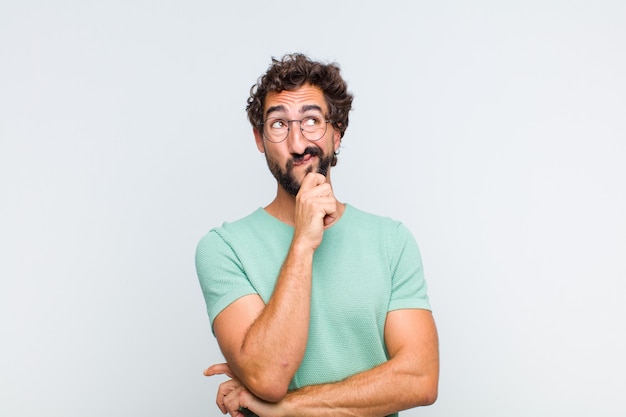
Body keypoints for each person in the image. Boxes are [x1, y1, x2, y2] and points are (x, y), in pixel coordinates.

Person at [195, 53, 439, 417]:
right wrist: (303, 242)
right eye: (278, 124)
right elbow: (268, 375)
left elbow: (420, 379)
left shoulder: (392, 241)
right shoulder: (223, 248)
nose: (297, 143)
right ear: (260, 139)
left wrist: (287, 406)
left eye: (311, 121)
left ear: (336, 134)